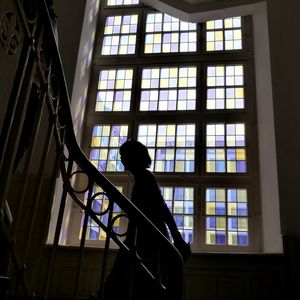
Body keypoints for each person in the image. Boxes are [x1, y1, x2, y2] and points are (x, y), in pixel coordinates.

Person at [102, 139, 190, 300]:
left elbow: (161, 208)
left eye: (123, 155)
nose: (121, 159)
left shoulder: (145, 178)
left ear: (132, 157)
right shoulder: (144, 178)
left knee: (138, 284)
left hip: (148, 241)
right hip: (144, 239)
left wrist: (176, 236)